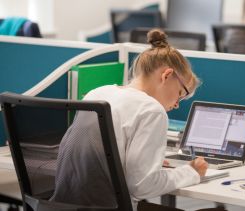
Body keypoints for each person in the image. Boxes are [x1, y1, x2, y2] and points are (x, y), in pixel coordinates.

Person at [50, 28, 213, 211]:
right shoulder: (151, 110)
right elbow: (143, 186)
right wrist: (191, 172)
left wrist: (149, 161)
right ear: (166, 76)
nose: (176, 104)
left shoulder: (97, 93)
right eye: (180, 94)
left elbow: (103, 156)